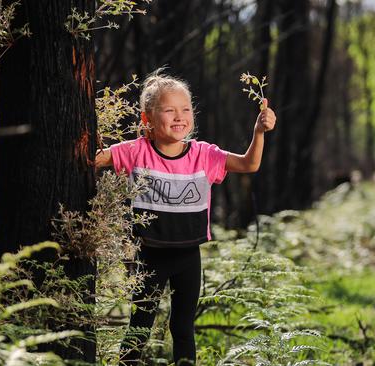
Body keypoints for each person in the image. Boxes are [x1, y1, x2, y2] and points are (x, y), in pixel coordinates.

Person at [95, 70, 276, 365]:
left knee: (182, 328)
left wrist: (258, 132)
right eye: (169, 110)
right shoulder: (136, 151)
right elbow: (95, 158)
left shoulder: (203, 154)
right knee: (139, 329)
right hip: (148, 256)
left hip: (189, 257)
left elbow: (249, 164)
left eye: (186, 109)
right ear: (147, 119)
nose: (179, 117)